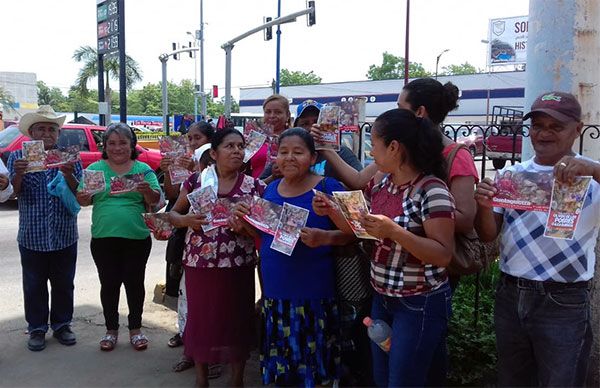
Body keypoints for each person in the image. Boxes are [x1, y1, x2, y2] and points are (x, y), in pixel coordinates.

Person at [317, 109, 456, 386]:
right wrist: (332, 212)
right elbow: (361, 231)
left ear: (394, 147)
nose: (370, 153)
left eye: (374, 145)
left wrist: (394, 231)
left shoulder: (432, 190)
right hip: (383, 299)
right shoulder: (382, 185)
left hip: (418, 302)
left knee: (403, 380)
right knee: (383, 378)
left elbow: (442, 254)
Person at [474, 91, 600, 386]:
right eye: (537, 126)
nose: (544, 134)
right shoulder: (513, 175)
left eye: (555, 127)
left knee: (560, 381)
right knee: (512, 378)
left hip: (563, 300)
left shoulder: (591, 178)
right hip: (511, 294)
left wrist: (593, 169)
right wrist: (482, 206)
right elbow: (488, 233)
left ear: (577, 129)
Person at [235, 128, 354, 386]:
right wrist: (243, 222)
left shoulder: (327, 187)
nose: (289, 158)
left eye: (298, 152)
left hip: (313, 296)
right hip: (276, 294)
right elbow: (263, 235)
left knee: (314, 368)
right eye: (283, 152)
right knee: (282, 369)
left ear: (313, 158)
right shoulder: (271, 189)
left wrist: (325, 238)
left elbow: (354, 234)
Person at [169, 128, 265, 387]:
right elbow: (173, 216)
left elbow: (263, 230)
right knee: (202, 320)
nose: (236, 151)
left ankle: (237, 380)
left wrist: (244, 226)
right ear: (213, 153)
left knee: (236, 320)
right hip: (199, 264)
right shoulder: (195, 181)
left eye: (240, 146)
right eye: (230, 146)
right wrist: (187, 220)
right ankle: (201, 379)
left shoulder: (254, 186)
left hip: (238, 264)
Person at [289, 99, 373, 385]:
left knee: (340, 311)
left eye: (317, 122)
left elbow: (359, 189)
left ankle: (339, 367)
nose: (311, 127)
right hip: (297, 256)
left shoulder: (342, 154)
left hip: (338, 249)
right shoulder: (287, 156)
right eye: (305, 123)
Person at [76, 123, 162, 352]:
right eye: (112, 143)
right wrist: (83, 195)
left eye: (123, 142)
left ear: (132, 144)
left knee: (135, 283)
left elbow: (156, 200)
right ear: (105, 146)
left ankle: (136, 329)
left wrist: (146, 191)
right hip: (104, 237)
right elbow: (83, 201)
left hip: (136, 236)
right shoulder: (95, 168)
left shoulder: (143, 170)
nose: (117, 148)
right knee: (109, 284)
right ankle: (111, 330)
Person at [7, 105, 82, 351]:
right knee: (33, 284)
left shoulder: (70, 157)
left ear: (58, 134)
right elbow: (12, 193)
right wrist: (17, 175)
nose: (47, 133)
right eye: (41, 128)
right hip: (32, 234)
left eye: (52, 129)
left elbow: (80, 193)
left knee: (64, 283)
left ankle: (62, 325)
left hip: (64, 233)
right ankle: (37, 328)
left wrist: (69, 173)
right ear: (31, 132)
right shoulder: (18, 157)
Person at [251, 94, 291, 180]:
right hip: (255, 190)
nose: (272, 116)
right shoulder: (256, 137)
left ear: (287, 115)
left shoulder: (293, 138)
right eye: (268, 112)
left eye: (278, 112)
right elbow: (242, 164)